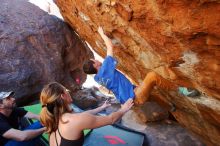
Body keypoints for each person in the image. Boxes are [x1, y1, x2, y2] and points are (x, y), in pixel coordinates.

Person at [83, 27, 200, 106]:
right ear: (95, 64)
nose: (96, 59)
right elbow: (110, 47)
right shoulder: (104, 70)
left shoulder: (97, 78)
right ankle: (181, 90)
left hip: (129, 98)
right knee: (152, 76)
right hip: (135, 96)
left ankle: (170, 107)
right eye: (94, 60)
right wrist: (102, 34)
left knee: (152, 92)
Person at [39, 82, 133, 146]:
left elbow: (82, 116)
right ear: (63, 96)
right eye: (66, 90)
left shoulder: (55, 121)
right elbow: (111, 119)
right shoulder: (73, 120)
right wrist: (123, 109)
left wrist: (101, 108)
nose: (68, 92)